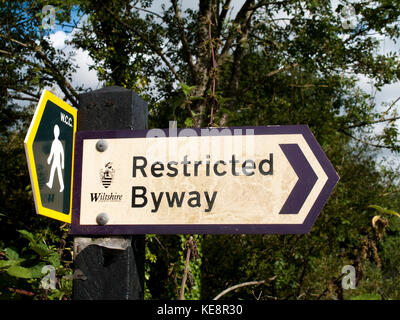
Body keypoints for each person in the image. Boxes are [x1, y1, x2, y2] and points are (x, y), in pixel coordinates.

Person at [46, 124, 64, 192]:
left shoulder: (59, 143)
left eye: (57, 132)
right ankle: (50, 183)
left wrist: (62, 163)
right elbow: (52, 152)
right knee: (52, 171)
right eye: (55, 132)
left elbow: (62, 153)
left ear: (58, 133)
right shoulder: (54, 142)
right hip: (54, 160)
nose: (55, 133)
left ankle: (62, 186)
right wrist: (49, 158)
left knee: (59, 173)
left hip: (58, 161)